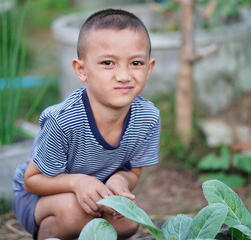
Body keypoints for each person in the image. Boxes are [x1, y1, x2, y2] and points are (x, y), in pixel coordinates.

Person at [12, 8, 160, 240]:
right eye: (108, 63)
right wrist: (78, 182)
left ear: (149, 68)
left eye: (136, 63)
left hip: (96, 193)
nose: (124, 75)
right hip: (42, 197)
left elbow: (133, 172)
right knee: (74, 212)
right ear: (82, 69)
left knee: (129, 222)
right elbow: (32, 181)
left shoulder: (147, 117)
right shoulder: (63, 120)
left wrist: (119, 180)